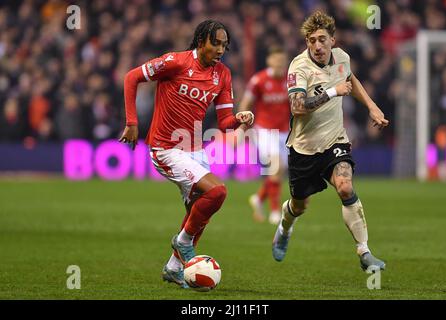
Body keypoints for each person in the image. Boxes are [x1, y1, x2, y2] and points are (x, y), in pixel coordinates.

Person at [119, 20, 254, 288]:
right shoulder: (175, 62)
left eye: (225, 45)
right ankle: (182, 242)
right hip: (166, 149)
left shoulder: (223, 75)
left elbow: (225, 120)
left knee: (197, 213)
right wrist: (132, 122)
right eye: (216, 43)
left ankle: (174, 267)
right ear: (202, 40)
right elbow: (131, 77)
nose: (221, 50)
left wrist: (239, 118)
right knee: (217, 192)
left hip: (195, 150)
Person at [272, 11, 389, 272]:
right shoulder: (299, 66)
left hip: (335, 140)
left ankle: (365, 252)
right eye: (311, 40)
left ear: (332, 40)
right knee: (299, 205)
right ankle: (285, 227)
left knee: (345, 187)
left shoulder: (342, 58)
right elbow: (297, 107)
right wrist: (333, 91)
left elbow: (349, 79)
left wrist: (372, 106)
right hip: (304, 148)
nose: (316, 46)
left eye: (322, 39)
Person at [238, 46, 290, 225]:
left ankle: (259, 198)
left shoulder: (291, 80)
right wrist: (241, 129)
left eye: (283, 61)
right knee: (277, 165)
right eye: (277, 61)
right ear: (270, 62)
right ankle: (275, 211)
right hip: (264, 130)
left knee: (279, 171)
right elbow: (245, 104)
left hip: (284, 131)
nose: (280, 64)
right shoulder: (258, 80)